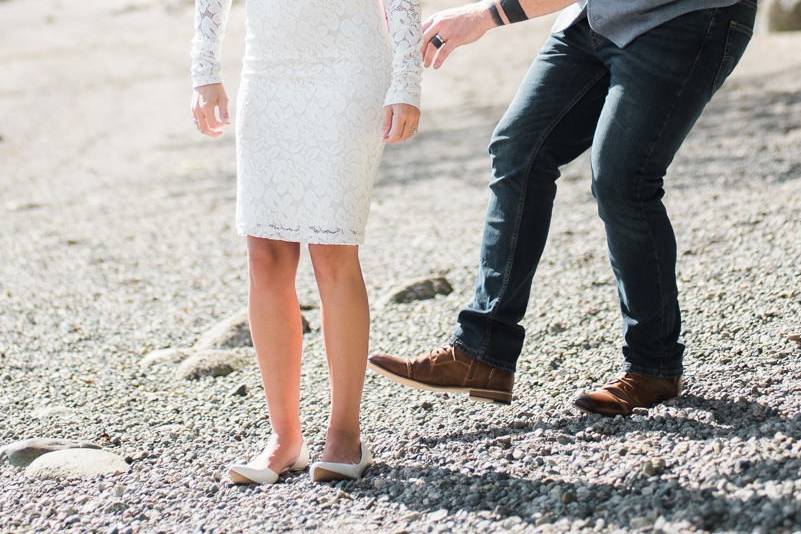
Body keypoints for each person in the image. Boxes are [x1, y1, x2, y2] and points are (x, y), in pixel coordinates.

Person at [369, 0, 756, 415]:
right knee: (519, 151)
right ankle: (482, 352)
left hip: (685, 16)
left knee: (623, 180)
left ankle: (654, 366)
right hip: (595, 17)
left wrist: (486, 15)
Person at [189, 0, 422, 483]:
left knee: (332, 248)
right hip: (268, 68)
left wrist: (406, 78)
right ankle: (284, 437)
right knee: (265, 252)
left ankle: (345, 433)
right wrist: (204, 69)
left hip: (349, 65)